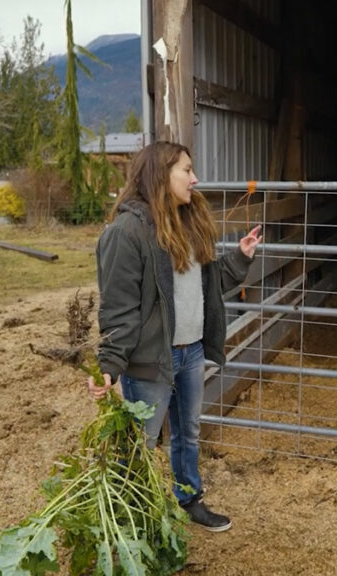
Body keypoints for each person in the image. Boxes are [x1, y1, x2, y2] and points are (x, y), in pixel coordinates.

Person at [87, 141, 262, 532]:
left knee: (188, 435)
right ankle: (130, 520)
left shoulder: (189, 222)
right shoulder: (127, 232)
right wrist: (111, 364)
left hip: (192, 352)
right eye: (186, 170)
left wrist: (240, 259)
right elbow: (118, 307)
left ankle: (189, 499)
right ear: (160, 175)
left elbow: (206, 287)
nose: (194, 178)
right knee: (141, 445)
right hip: (152, 360)